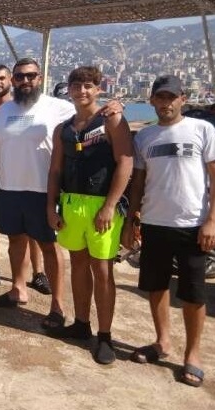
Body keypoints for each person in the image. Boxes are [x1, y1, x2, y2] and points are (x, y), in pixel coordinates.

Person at [122, 75, 213, 387]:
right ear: (152, 101)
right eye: (160, 97)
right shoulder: (145, 137)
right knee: (156, 286)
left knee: (193, 293)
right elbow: (138, 182)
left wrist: (212, 221)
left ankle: (193, 355)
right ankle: (162, 342)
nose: (166, 103)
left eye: (171, 97)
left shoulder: (203, 129)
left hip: (192, 225)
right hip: (154, 223)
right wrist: (131, 220)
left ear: (182, 99)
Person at [45, 66, 133, 365]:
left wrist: (110, 205)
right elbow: (55, 170)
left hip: (101, 204)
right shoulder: (64, 128)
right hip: (72, 203)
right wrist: (50, 206)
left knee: (103, 270)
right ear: (69, 89)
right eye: (76, 85)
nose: (81, 91)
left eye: (88, 86)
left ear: (98, 89)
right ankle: (82, 324)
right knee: (79, 264)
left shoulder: (111, 120)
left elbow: (125, 162)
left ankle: (105, 336)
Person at [0, 63, 51, 295]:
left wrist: (113, 106)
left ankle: (53, 299)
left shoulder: (56, 106)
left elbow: (87, 116)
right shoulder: (2, 110)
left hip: (41, 187)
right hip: (8, 186)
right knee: (15, 238)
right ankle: (18, 288)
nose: (25, 80)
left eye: (30, 75)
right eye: (20, 76)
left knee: (46, 243)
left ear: (39, 78)